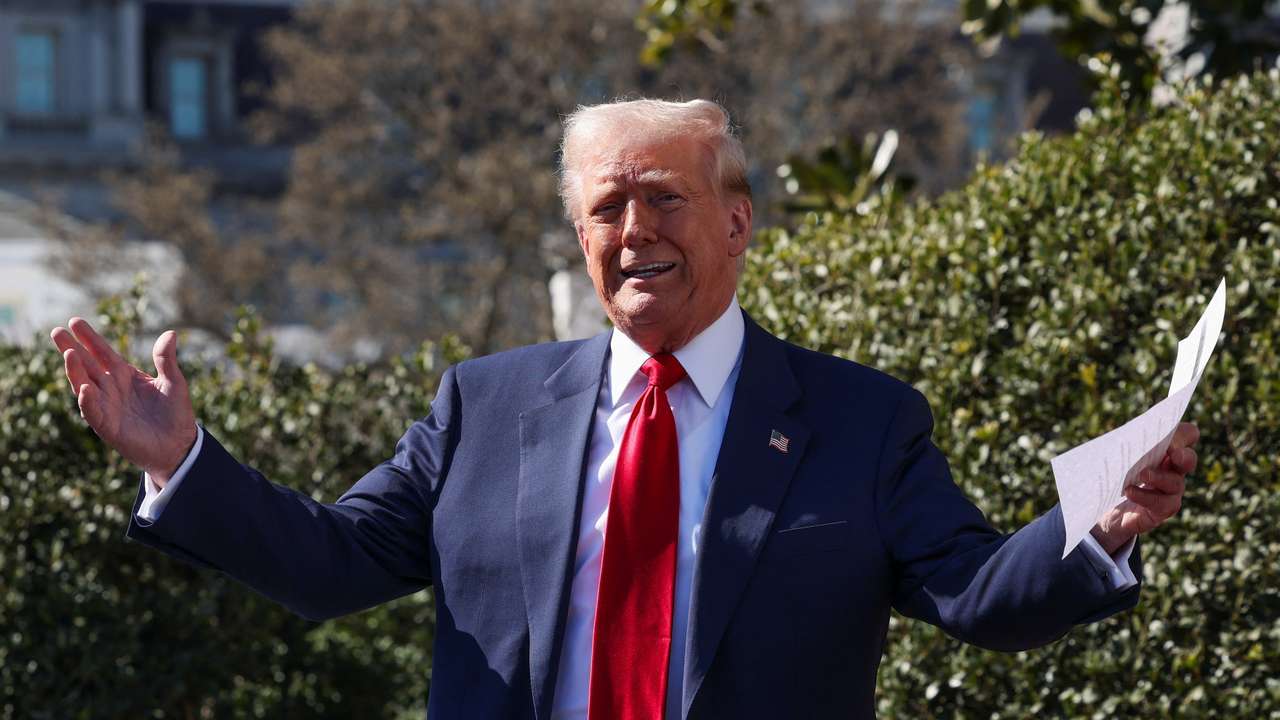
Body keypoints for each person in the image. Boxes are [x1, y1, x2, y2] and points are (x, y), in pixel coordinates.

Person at [50, 99, 1199, 720]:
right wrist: (183, 461)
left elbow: (978, 595)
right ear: (580, 238)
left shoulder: (860, 422)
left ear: (737, 224)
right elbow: (332, 563)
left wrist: (1097, 526)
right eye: (608, 207)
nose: (634, 228)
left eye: (665, 197)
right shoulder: (480, 408)